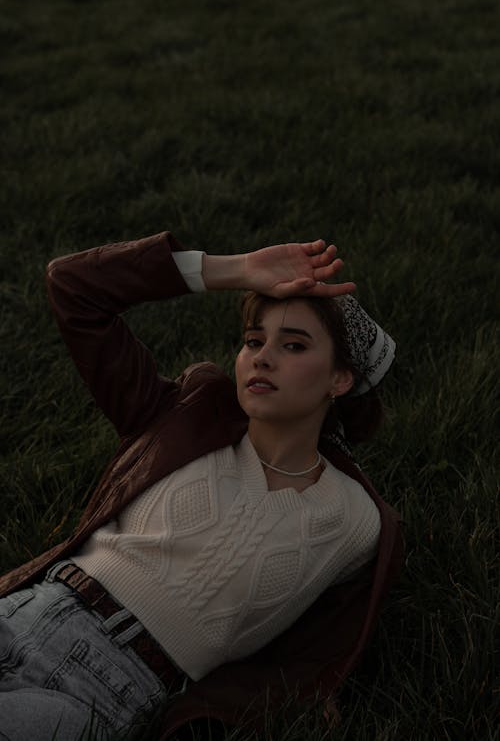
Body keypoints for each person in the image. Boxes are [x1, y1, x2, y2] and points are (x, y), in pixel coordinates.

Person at [0, 231, 403, 740]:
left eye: (294, 345)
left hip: (103, 691)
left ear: (340, 379)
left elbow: (319, 653)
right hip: (25, 611)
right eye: (254, 340)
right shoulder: (185, 414)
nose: (262, 357)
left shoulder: (357, 522)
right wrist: (233, 270)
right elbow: (73, 287)